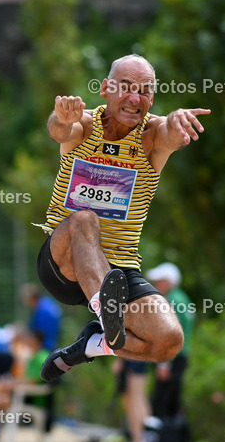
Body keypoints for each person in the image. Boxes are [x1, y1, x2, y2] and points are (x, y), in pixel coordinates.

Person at [34, 54, 210, 381]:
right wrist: (58, 117)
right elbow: (60, 131)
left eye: (144, 91)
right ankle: (107, 311)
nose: (134, 98)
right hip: (64, 263)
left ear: (152, 99)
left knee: (169, 341)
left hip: (118, 269)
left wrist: (177, 121)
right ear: (105, 89)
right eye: (125, 87)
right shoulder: (84, 125)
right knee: (85, 220)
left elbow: (170, 131)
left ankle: (91, 344)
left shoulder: (152, 135)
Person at [0, 329, 57, 441]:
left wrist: (12, 385)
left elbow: (33, 381)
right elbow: (26, 379)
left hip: (30, 398)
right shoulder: (33, 357)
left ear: (36, 341)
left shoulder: (41, 358)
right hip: (22, 395)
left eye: (30, 338)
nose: (27, 341)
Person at [144, 262, 194, 420]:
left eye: (159, 281)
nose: (156, 285)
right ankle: (174, 441)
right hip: (181, 355)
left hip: (172, 356)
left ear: (168, 282)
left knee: (161, 403)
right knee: (173, 401)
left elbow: (168, 334)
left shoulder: (171, 300)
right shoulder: (184, 299)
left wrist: (164, 363)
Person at [113, 358, 151, 442]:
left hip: (132, 357)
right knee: (136, 400)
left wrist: (120, 359)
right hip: (137, 356)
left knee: (136, 401)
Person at [22, 283, 62, 351]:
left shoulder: (41, 309)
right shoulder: (48, 302)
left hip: (45, 346)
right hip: (54, 342)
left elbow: (39, 332)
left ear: (31, 297)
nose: (26, 303)